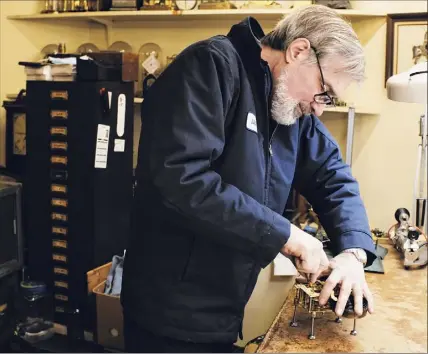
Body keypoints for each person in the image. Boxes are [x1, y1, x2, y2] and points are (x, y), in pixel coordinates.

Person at [121, 4, 377, 353]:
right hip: (170, 308)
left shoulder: (292, 108)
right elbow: (182, 180)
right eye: (325, 91)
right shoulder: (210, 66)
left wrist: (352, 252)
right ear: (298, 50)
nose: (320, 108)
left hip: (224, 306)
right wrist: (288, 236)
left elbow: (333, 177)